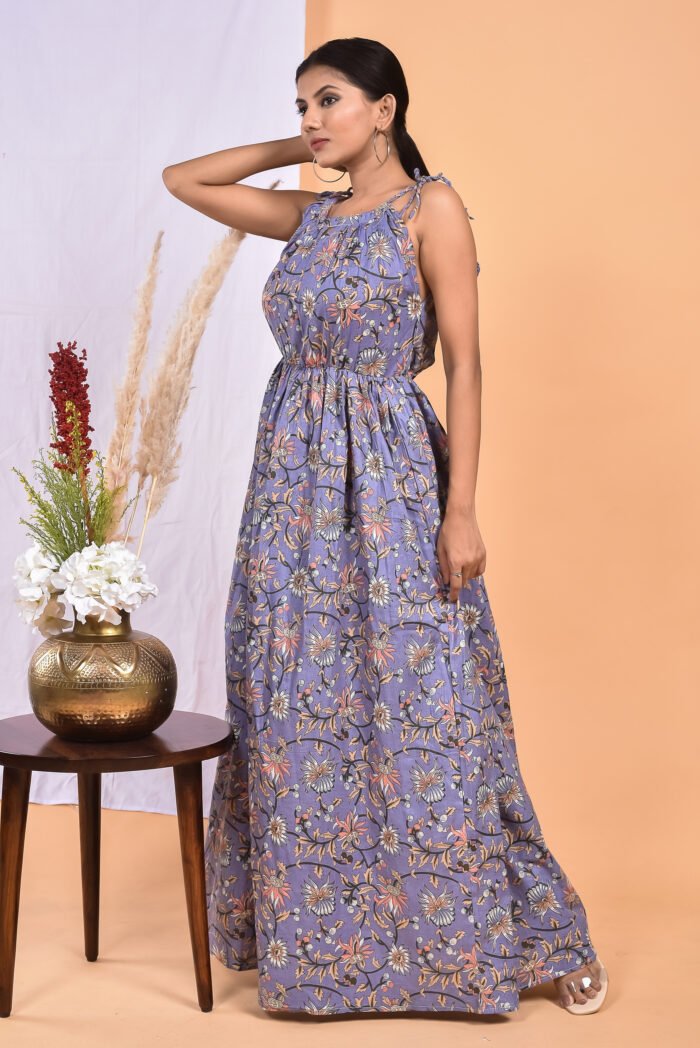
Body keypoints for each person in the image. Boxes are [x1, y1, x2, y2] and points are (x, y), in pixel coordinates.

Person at [163, 36, 608, 1018]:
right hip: (289, 492)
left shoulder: (431, 207)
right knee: (298, 718)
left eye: (331, 100)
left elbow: (467, 364)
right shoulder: (309, 218)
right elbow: (181, 178)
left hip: (396, 480)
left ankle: (531, 935)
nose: (315, 116)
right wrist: (298, 141)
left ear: (387, 107)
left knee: (431, 713)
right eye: (302, 102)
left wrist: (461, 510)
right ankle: (321, 955)